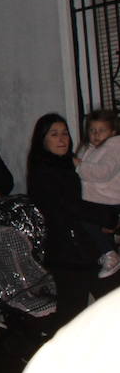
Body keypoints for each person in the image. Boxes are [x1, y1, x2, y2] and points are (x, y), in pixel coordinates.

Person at [26, 114, 119, 325]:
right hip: (69, 254)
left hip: (91, 249)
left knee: (111, 306)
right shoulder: (44, 170)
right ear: (43, 139)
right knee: (72, 316)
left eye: (65, 133)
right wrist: (107, 218)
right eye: (54, 134)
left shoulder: (72, 164)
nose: (62, 139)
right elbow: (69, 206)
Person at [74, 109, 120, 277]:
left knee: (87, 221)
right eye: (93, 130)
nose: (96, 134)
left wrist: (79, 165)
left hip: (109, 200)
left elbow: (103, 173)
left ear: (113, 132)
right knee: (94, 228)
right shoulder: (89, 147)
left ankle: (109, 254)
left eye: (102, 130)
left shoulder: (114, 147)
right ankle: (108, 254)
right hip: (97, 199)